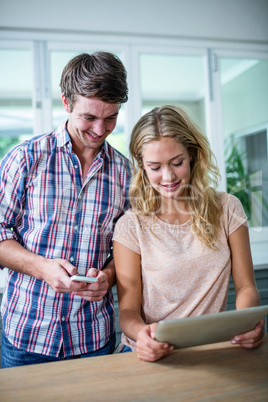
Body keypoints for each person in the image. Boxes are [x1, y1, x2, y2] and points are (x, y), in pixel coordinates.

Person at [0, 52, 132, 367]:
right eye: (89, 117)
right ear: (66, 102)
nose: (100, 129)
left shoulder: (127, 174)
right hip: (27, 339)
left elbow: (129, 250)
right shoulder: (26, 159)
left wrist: (109, 277)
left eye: (111, 117)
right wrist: (41, 268)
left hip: (94, 339)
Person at [113, 105, 264, 362]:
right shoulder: (131, 225)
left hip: (212, 349)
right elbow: (127, 312)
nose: (168, 176)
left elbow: (246, 286)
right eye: (155, 167)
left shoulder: (227, 208)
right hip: (150, 354)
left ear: (192, 155)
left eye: (177, 163)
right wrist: (143, 336)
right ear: (142, 166)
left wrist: (248, 322)